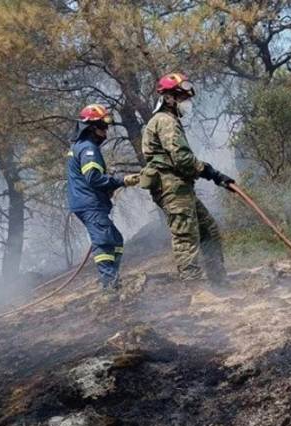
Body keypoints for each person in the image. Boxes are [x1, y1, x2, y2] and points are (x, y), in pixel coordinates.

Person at [140, 73, 235, 286]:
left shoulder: (168, 120)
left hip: (180, 187)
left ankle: (218, 282)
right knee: (185, 238)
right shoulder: (165, 121)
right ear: (169, 98)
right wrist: (210, 172)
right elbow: (182, 159)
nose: (187, 103)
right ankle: (194, 290)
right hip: (171, 187)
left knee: (208, 231)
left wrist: (213, 174)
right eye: (183, 98)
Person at [67, 104, 140, 293]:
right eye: (103, 126)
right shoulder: (88, 148)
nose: (106, 131)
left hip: (87, 203)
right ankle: (109, 287)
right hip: (90, 204)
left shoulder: (79, 146)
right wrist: (121, 181)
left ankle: (112, 280)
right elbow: (93, 177)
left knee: (115, 240)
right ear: (92, 127)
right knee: (105, 242)